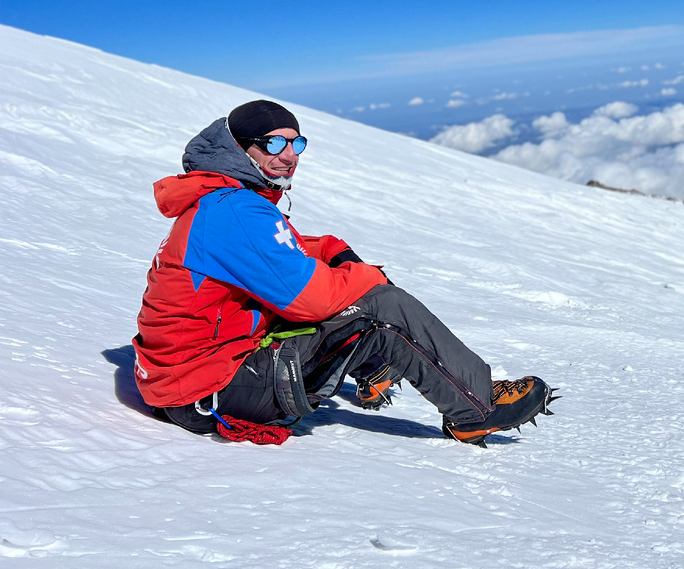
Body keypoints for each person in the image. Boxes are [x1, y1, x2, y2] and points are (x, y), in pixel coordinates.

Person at [133, 99, 556, 446]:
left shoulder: (223, 202)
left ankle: (374, 367)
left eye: (296, 143)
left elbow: (283, 249)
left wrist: (334, 250)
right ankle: (477, 408)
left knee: (345, 289)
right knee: (383, 306)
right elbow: (310, 300)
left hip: (189, 382)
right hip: (211, 392)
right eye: (273, 143)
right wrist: (367, 275)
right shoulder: (235, 211)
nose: (289, 156)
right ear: (240, 149)